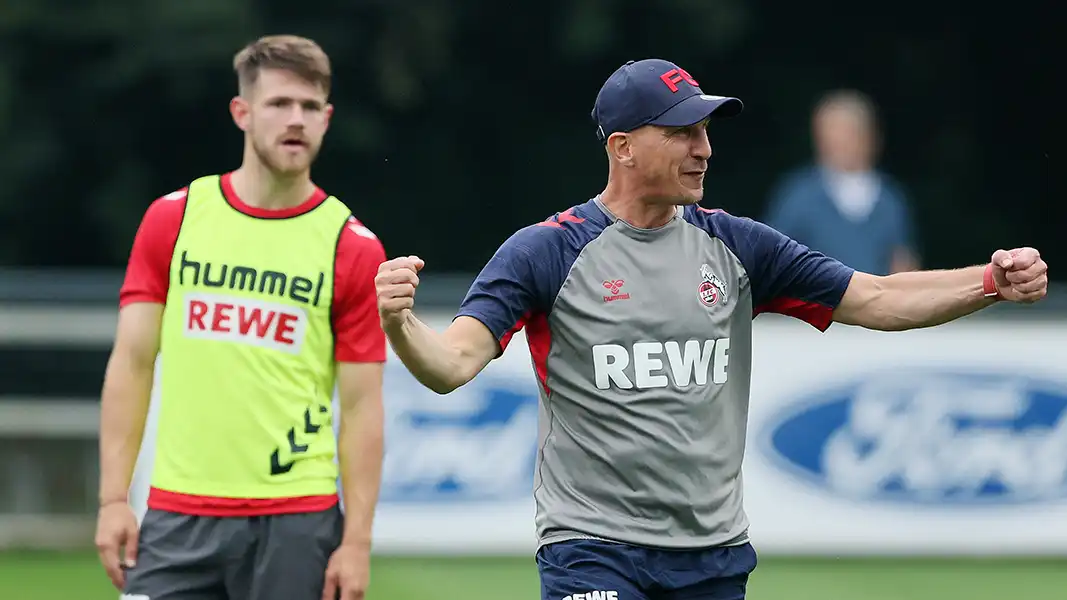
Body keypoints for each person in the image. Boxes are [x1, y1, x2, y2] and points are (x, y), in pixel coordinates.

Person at [374, 58, 1048, 600]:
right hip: (590, 547)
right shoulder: (545, 251)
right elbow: (451, 364)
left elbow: (875, 297)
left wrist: (988, 283)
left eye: (704, 130)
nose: (703, 148)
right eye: (681, 132)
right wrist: (398, 323)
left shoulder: (737, 247)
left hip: (711, 555)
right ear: (623, 148)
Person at [95, 35, 387, 600]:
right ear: (242, 112)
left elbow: (362, 405)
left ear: (327, 120)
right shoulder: (173, 221)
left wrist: (358, 541)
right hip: (176, 515)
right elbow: (131, 365)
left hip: (297, 521)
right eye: (280, 104)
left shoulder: (351, 246)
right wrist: (112, 500)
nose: (295, 119)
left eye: (309, 107)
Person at [764, 89, 919, 275]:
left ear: (869, 137)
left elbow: (903, 264)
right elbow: (771, 260)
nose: (834, 143)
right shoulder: (797, 195)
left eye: (845, 133)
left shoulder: (889, 199)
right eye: (827, 134)